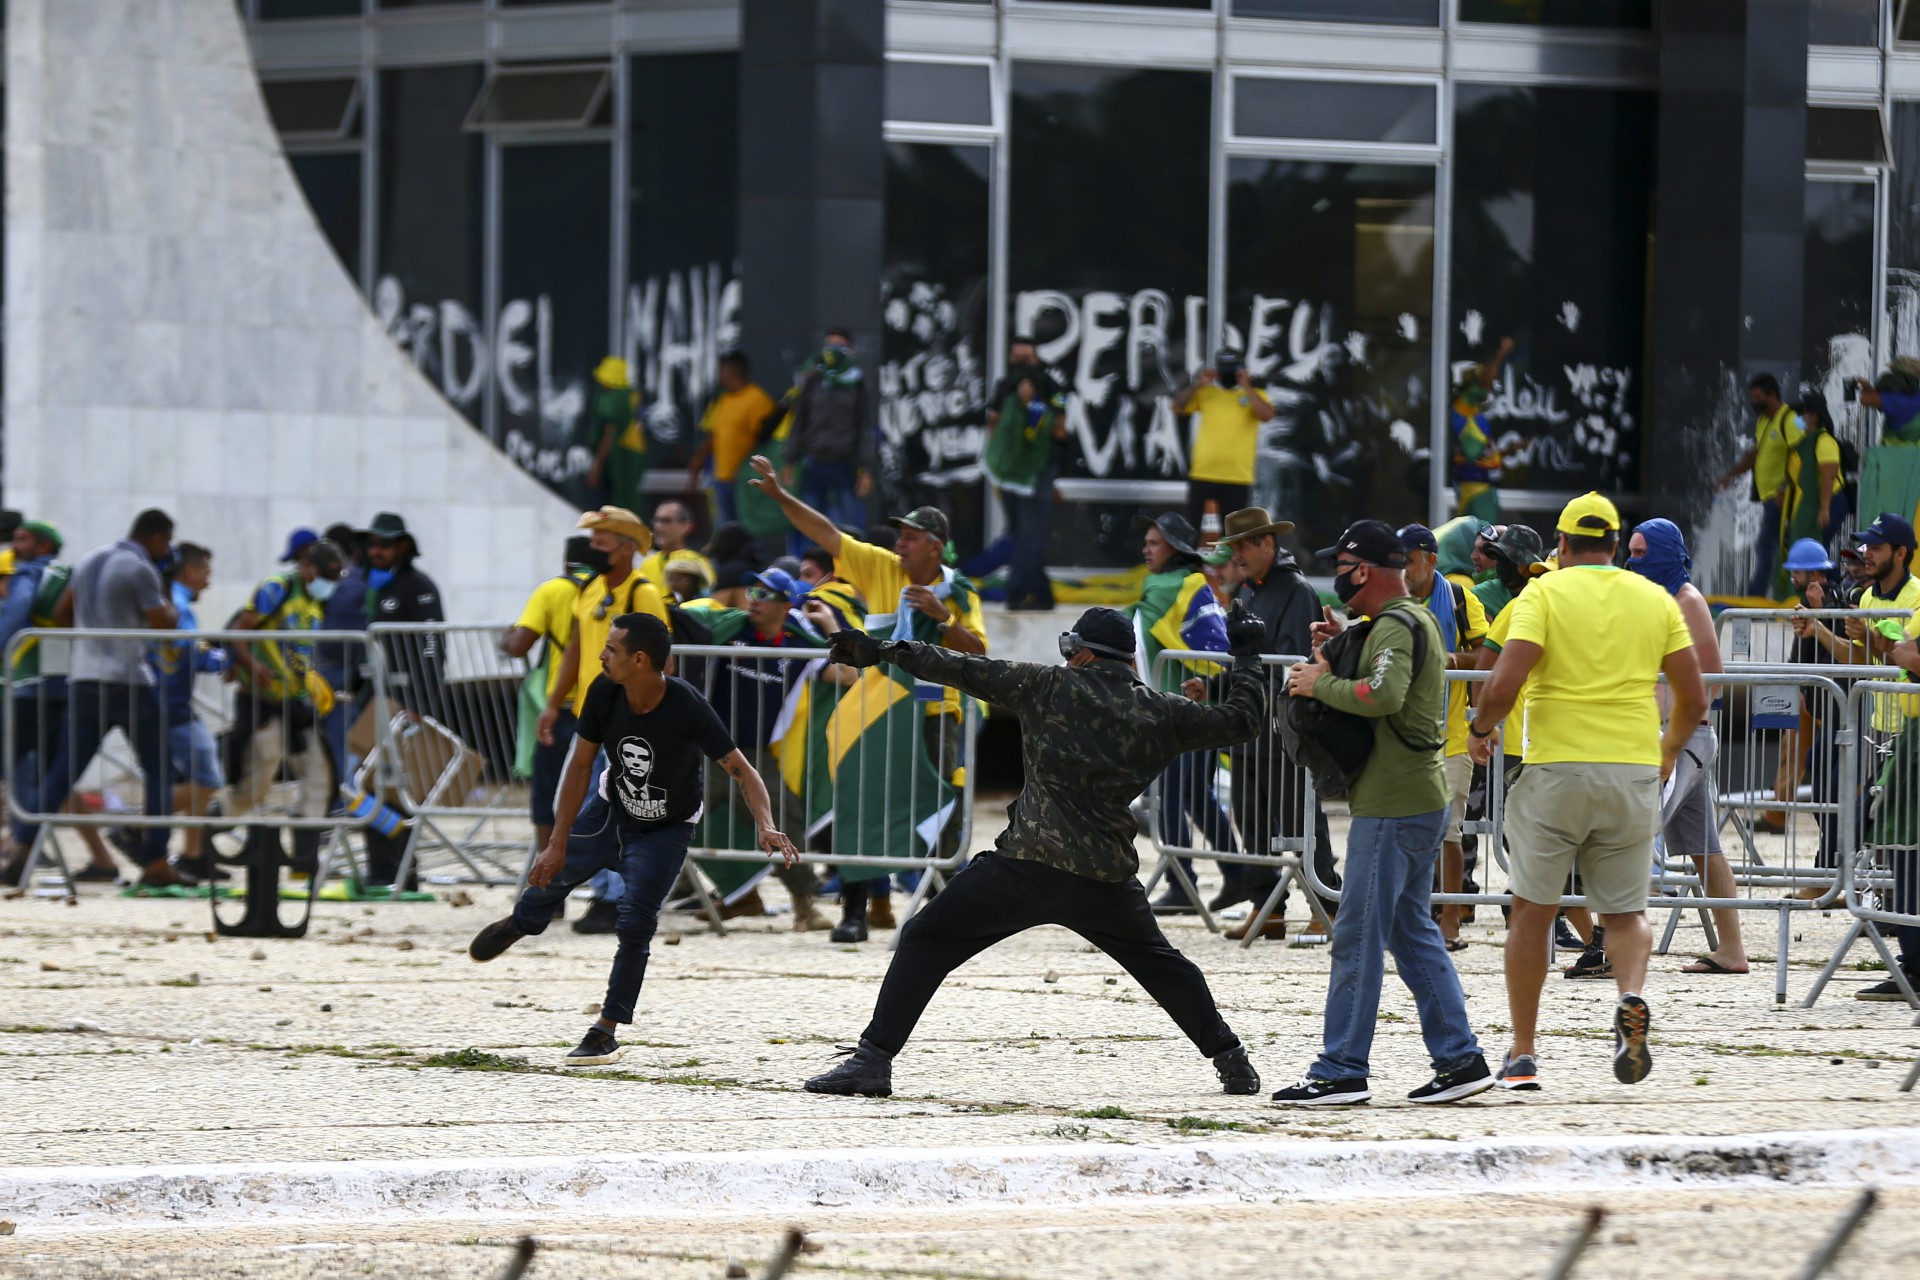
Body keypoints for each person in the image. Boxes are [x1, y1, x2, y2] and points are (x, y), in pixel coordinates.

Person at [801, 605, 1269, 1098]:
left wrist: (884, 651)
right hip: (1105, 877)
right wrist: (1246, 654)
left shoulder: (1047, 685)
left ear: (1083, 653)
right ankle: (1232, 1060)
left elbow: (960, 667)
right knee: (1162, 966)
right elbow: (1242, 720)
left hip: (1026, 866)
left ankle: (872, 1062)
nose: (1067, 659)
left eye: (1071, 650)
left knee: (924, 939)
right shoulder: (1162, 710)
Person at [468, 613, 799, 1066]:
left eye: (610, 650)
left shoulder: (687, 705)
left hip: (666, 829)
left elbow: (743, 770)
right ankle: (521, 924)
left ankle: (605, 1029)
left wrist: (765, 822)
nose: (601, 656)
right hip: (608, 813)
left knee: (636, 922)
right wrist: (557, 840)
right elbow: (580, 767)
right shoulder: (604, 692)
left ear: (639, 659)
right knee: (547, 883)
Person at [1469, 493, 1707, 1092]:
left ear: (1564, 544)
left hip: (1556, 770)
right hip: (1631, 770)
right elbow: (1694, 697)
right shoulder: (1654, 599)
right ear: (1615, 544)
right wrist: (1669, 751)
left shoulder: (1544, 593)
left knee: (1531, 911)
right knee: (1626, 914)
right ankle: (1630, 996)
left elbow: (1503, 682)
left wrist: (1479, 730)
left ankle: (1523, 1053)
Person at [1270, 521, 1490, 1107]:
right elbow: (1382, 677)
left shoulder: (1397, 622)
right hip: (1409, 799)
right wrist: (1340, 645)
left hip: (1393, 806)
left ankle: (1341, 1067)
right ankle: (1460, 1058)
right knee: (1410, 931)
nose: (1335, 575)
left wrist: (1319, 685)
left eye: (1340, 565)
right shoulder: (1401, 622)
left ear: (1362, 570)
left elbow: (1384, 695)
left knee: (1358, 934)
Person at [748, 455, 985, 941]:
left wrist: (943, 618)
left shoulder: (959, 591)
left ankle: (942, 914)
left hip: (934, 713)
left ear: (935, 547)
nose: (899, 543)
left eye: (910, 537)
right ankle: (856, 912)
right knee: (859, 805)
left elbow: (979, 652)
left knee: (940, 808)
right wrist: (778, 497)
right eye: (899, 535)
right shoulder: (881, 567)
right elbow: (827, 532)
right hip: (873, 711)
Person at [13, 510, 183, 888]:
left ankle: (22, 848)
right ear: (157, 538)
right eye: (166, 543)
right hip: (129, 680)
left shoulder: (90, 558)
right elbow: (165, 623)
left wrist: (92, 636)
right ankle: (156, 859)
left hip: (85, 678)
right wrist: (167, 584)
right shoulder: (140, 568)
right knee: (158, 770)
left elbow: (61, 614)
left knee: (62, 772)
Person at [538, 507, 673, 933]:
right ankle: (600, 893)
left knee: (619, 813)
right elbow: (575, 651)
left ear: (627, 548)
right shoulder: (589, 589)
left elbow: (662, 658)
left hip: (629, 719)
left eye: (601, 542)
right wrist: (553, 702)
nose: (592, 549)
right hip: (591, 716)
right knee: (582, 808)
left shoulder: (643, 592)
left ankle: (615, 899)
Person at [679, 567, 833, 931]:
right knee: (674, 817)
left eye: (764, 595)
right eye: (752, 591)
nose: (753, 601)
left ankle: (804, 906)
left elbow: (846, 674)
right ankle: (732, 893)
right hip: (709, 748)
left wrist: (828, 628)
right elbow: (686, 622)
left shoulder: (799, 644)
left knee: (782, 825)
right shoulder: (731, 631)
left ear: (784, 604)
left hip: (756, 754)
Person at [1625, 519, 1745, 975]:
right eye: (1629, 552)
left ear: (1660, 552)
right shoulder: (1658, 598)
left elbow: (1711, 676)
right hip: (1675, 734)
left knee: (1632, 832)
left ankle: (1612, 939)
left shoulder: (1687, 600)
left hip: (1683, 737)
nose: (1632, 561)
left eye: (1640, 552)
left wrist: (1671, 731)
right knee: (1704, 848)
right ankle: (1731, 949)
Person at [1212, 507, 1339, 932]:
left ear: (1269, 543)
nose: (1238, 554)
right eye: (1234, 546)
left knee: (1299, 816)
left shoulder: (1295, 590)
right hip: (1248, 721)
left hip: (1282, 724)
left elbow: (1290, 656)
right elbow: (1242, 661)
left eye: (1246, 544)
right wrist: (1211, 689)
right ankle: (1267, 908)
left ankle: (1327, 904)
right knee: (1250, 817)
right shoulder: (1247, 592)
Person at [1131, 512, 1236, 914]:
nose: (1146, 549)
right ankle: (1239, 873)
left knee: (1171, 797)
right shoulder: (1189, 585)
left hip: (1188, 711)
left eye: (1154, 543)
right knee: (1194, 796)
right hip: (1198, 708)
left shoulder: (1177, 586)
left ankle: (1182, 884)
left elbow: (1136, 630)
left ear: (1174, 547)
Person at [227, 540, 345, 878]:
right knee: (256, 785)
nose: (328, 585)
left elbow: (299, 649)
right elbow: (239, 630)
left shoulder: (315, 604)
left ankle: (303, 865)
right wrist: (252, 664)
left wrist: (312, 680)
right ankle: (210, 827)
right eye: (324, 576)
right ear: (307, 567)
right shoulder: (276, 589)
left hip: (296, 706)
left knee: (320, 778)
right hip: (262, 703)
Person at [1399, 523, 1488, 948]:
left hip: (1451, 734)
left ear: (1431, 560)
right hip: (1399, 735)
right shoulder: (1389, 598)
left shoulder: (1457, 598)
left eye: (1409, 561)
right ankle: (1409, 914)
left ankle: (1451, 917)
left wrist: (1452, 658)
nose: (1402, 570)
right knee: (1402, 828)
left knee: (1449, 831)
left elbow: (1488, 655)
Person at [359, 512, 447, 886]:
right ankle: (382, 868)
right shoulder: (370, 585)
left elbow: (432, 646)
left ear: (403, 547)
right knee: (368, 784)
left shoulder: (418, 587)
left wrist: (421, 703)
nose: (377, 551)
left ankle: (401, 870)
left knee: (399, 788)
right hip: (373, 700)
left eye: (385, 544)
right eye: (373, 544)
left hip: (404, 703)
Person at [505, 536, 597, 859]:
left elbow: (518, 645)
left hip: (564, 707)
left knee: (548, 797)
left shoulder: (552, 591)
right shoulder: (608, 591)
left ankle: (548, 881)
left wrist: (507, 634)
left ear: (566, 561)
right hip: (603, 707)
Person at [154, 543, 227, 881]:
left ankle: (193, 855)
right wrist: (225, 660)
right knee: (209, 779)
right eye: (206, 574)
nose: (209, 582)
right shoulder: (179, 602)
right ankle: (134, 824)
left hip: (167, 701)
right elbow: (189, 650)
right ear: (190, 571)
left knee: (194, 779)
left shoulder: (170, 597)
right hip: (171, 704)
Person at [981, 337, 1068, 611]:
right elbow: (992, 422)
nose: (1022, 365)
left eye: (1026, 359)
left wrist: (1034, 412)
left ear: (1036, 359)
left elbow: (1060, 429)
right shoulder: (1003, 387)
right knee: (1020, 534)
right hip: (1010, 471)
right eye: (1017, 359)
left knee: (1030, 533)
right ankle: (1041, 594)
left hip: (1039, 470)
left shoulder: (1051, 386)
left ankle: (1017, 592)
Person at [1716, 374, 1803, 599]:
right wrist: (1730, 475)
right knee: (1771, 546)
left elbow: (1801, 453)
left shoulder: (1791, 419)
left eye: (1757, 397)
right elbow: (1755, 454)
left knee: (1767, 546)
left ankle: (1759, 596)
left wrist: (1784, 488)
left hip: (1784, 498)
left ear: (1772, 395)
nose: (1753, 402)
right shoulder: (1764, 420)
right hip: (1770, 499)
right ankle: (1771, 593)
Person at [783, 328, 875, 535]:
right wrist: (789, 459)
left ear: (850, 350)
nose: (832, 350)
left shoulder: (856, 383)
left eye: (839, 345)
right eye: (828, 345)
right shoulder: (814, 380)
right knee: (809, 523)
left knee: (849, 526)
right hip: (814, 460)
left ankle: (849, 566)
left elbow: (864, 427)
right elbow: (799, 422)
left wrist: (866, 469)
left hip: (845, 462)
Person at [1173, 349, 1275, 528]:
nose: (1228, 373)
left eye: (1232, 369)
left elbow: (1267, 415)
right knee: (1190, 529)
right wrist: (1198, 384)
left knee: (1233, 535)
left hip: (1237, 475)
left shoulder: (1255, 394)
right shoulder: (1206, 393)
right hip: (1203, 472)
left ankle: (1230, 558)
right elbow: (1177, 406)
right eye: (1224, 369)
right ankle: (1187, 557)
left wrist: (1246, 386)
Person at [688, 350, 778, 527]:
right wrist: (697, 460)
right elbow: (713, 434)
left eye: (720, 370)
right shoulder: (723, 399)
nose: (717, 375)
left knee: (747, 526)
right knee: (723, 526)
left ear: (730, 371)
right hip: (721, 476)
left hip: (745, 478)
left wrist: (751, 468)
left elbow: (765, 441)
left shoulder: (757, 400)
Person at [1449, 338, 1514, 522]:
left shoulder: (1476, 416)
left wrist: (1511, 450)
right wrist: (1502, 353)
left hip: (1484, 486)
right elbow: (1485, 382)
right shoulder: (1461, 408)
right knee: (1482, 542)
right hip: (1474, 490)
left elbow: (1483, 455)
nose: (1490, 386)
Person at [1785, 394, 1848, 552]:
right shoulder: (1805, 441)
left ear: (1814, 417)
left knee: (1818, 549)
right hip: (1815, 502)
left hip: (1831, 501)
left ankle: (1831, 577)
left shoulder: (1824, 441)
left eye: (1802, 414)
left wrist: (1824, 508)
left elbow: (1829, 475)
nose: (1798, 418)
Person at [586, 356, 646, 511]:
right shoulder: (632, 396)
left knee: (613, 505)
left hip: (616, 458)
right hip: (634, 454)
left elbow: (609, 434)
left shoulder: (611, 400)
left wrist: (597, 466)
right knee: (630, 501)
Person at [638, 501, 711, 596]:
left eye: (666, 521)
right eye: (656, 521)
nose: (658, 527)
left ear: (686, 526)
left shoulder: (697, 563)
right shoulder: (647, 563)